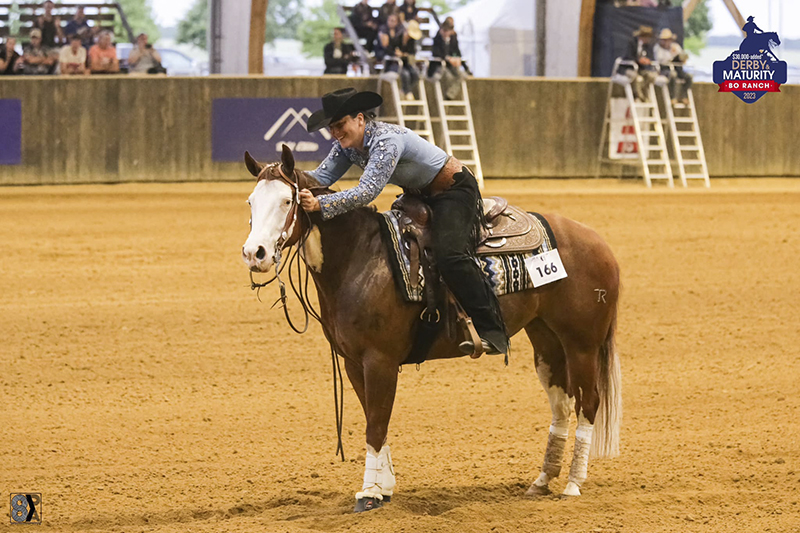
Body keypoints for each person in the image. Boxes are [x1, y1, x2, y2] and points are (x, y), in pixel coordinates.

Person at [300, 88, 509, 357]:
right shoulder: (348, 147)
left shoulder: (386, 141)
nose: (336, 133)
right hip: (418, 195)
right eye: (331, 128)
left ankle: (493, 330)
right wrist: (281, 180)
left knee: (450, 255)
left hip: (453, 191)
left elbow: (367, 192)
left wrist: (322, 204)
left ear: (360, 119)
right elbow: (320, 177)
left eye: (340, 125)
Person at [654, 28, 692, 104]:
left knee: (689, 77)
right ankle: (672, 97)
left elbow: (683, 58)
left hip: (677, 69)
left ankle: (684, 96)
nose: (666, 42)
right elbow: (660, 61)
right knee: (673, 75)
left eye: (668, 40)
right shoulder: (657, 48)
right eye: (664, 40)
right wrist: (671, 56)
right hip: (665, 69)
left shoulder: (676, 47)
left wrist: (678, 55)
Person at [430, 20, 465, 100]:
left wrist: (456, 58)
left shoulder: (453, 39)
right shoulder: (437, 39)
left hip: (451, 65)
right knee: (448, 77)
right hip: (440, 65)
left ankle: (450, 94)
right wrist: (448, 58)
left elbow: (457, 52)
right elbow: (436, 53)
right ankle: (447, 96)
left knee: (461, 75)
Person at [624, 25, 657, 101]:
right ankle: (639, 96)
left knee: (650, 76)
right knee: (636, 78)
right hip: (630, 67)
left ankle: (645, 94)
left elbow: (651, 57)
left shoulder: (647, 46)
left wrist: (647, 61)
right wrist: (638, 60)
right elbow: (628, 56)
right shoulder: (632, 43)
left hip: (641, 69)